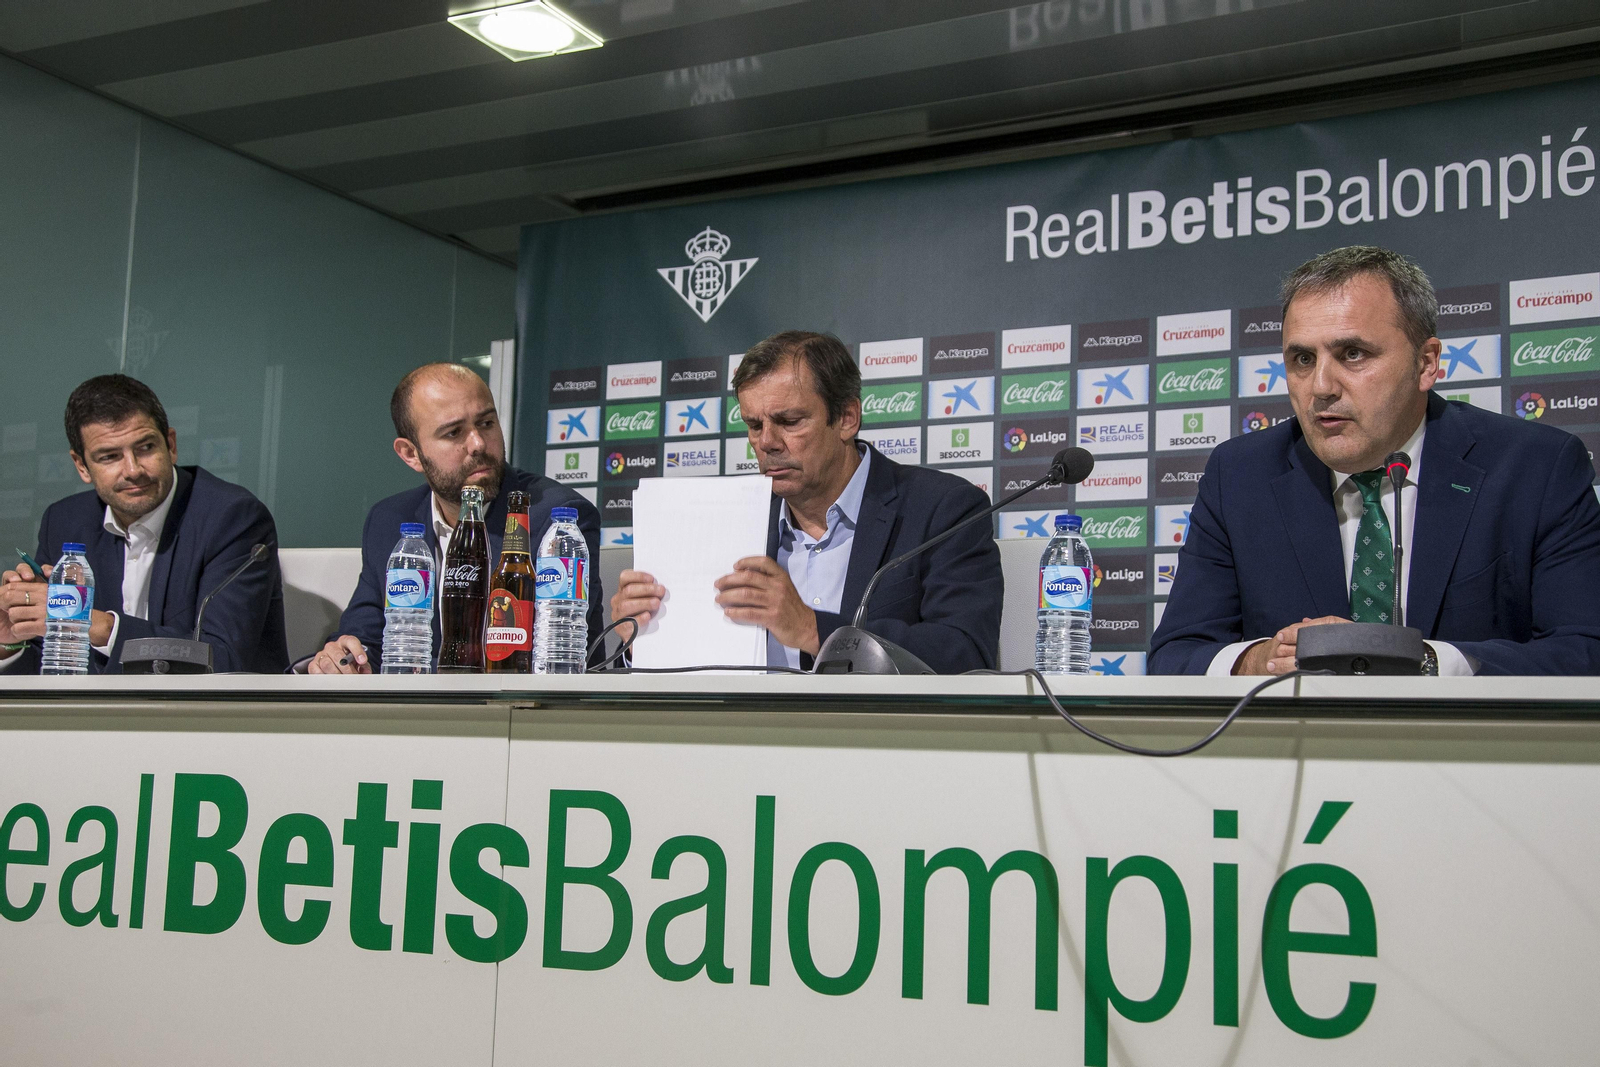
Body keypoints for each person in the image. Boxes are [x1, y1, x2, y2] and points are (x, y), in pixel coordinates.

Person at [1150, 246, 1600, 676]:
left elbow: (1584, 651)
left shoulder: (1536, 467)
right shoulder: (1240, 475)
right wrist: (1260, 660)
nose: (1322, 386)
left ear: (1426, 363)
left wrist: (1420, 661)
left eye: (1352, 354)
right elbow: (1174, 655)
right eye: (1302, 359)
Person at [609, 330, 1002, 673]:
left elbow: (964, 655)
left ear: (847, 417)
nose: (766, 443)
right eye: (754, 424)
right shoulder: (721, 517)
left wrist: (813, 629)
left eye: (790, 421)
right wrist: (640, 637)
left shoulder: (943, 510)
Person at [309, 362, 602, 673]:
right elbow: (366, 640)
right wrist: (343, 659)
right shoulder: (389, 522)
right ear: (411, 454)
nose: (477, 444)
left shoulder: (555, 520)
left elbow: (545, 652)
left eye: (487, 423)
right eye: (453, 432)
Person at [0, 374, 288, 674]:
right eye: (110, 456)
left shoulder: (232, 518)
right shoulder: (65, 522)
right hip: (93, 716)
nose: (133, 470)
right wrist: (9, 640)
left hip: (211, 717)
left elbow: (222, 657)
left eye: (146, 448)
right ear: (82, 466)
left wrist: (97, 625)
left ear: (171, 445)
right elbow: (51, 661)